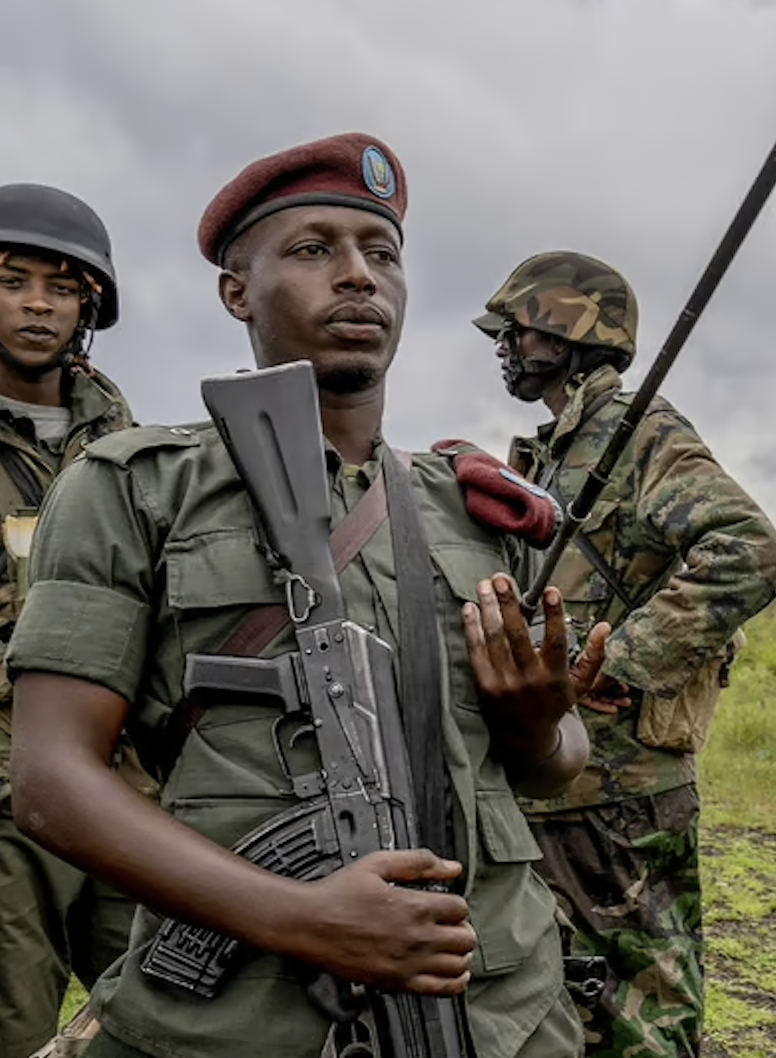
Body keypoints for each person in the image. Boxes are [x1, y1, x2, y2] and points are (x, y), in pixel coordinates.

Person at [4, 133, 607, 1058]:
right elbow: (51, 781)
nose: (358, 277)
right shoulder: (134, 489)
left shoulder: (477, 508)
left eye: (382, 254)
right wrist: (301, 918)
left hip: (498, 1009)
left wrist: (539, 723)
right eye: (313, 250)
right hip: (235, 1022)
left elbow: (550, 761)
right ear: (236, 291)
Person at [475, 251, 776, 1057]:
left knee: (637, 1024)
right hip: (556, 781)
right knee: (558, 1014)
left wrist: (619, 663)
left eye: (516, 334)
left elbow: (750, 551)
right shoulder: (555, 451)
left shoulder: (637, 431)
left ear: (564, 333)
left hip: (619, 796)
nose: (504, 349)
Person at [0, 183, 141, 1058]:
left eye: (63, 288)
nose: (38, 305)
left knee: (164, 1015)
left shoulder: (127, 448)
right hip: (6, 795)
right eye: (14, 281)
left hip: (125, 785)